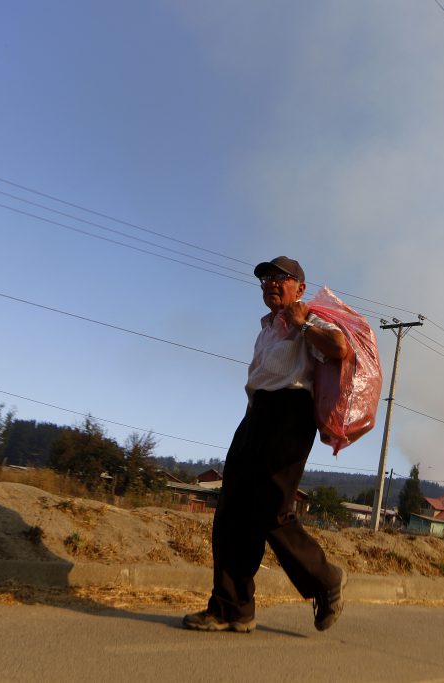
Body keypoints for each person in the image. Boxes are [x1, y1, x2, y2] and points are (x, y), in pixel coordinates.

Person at [183, 256, 351, 634]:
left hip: (290, 414)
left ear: (300, 287)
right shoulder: (264, 331)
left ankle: (326, 580)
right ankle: (232, 608)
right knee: (231, 511)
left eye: (280, 278)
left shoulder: (308, 317)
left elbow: (339, 347)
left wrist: (303, 322)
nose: (271, 284)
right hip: (257, 414)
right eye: (265, 280)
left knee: (271, 508)